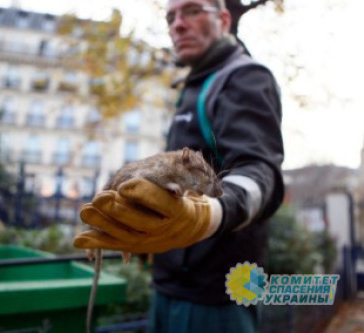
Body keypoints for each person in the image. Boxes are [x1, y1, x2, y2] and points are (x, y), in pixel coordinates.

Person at [74, 0, 284, 332]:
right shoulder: (192, 85)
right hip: (168, 287)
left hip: (218, 296)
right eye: (171, 16)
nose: (177, 24)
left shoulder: (244, 77)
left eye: (192, 10)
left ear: (225, 19)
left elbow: (260, 171)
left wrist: (211, 213)